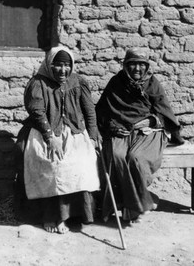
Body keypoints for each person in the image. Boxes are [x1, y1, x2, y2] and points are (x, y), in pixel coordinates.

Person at [14, 46, 100, 234]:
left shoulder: (78, 82)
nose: (63, 70)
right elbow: (37, 112)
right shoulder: (38, 83)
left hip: (75, 131)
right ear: (49, 65)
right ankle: (52, 217)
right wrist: (50, 137)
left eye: (67, 65)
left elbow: (89, 112)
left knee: (81, 162)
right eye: (58, 65)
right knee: (53, 164)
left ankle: (76, 215)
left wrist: (92, 137)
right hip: (44, 131)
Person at [95, 48, 184, 225]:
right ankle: (120, 204)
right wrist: (112, 126)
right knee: (116, 156)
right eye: (133, 64)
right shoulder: (116, 82)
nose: (137, 68)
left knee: (136, 158)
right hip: (121, 130)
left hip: (148, 132)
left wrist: (150, 121)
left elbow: (165, 113)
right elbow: (102, 111)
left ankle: (135, 207)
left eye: (141, 64)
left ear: (147, 66)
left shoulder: (152, 84)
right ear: (125, 66)